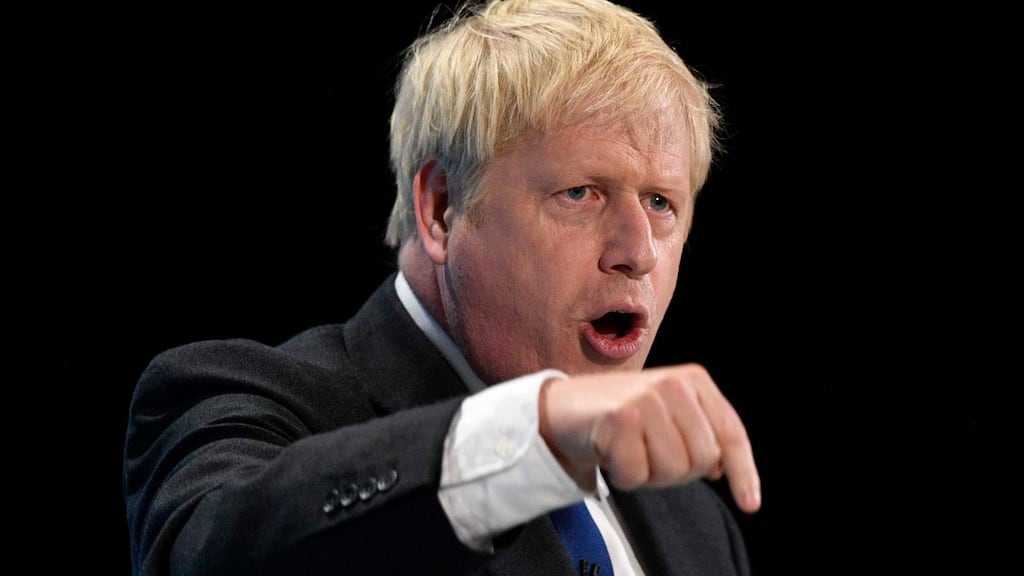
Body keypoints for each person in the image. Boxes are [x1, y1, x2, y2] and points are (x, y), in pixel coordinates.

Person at [122, 0, 762, 574]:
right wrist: (536, 427)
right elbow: (211, 555)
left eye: (660, 202)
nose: (638, 253)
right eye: (580, 193)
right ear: (441, 208)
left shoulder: (696, 524)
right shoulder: (240, 400)